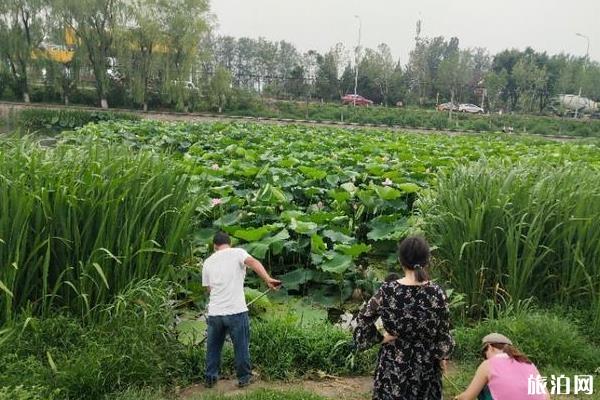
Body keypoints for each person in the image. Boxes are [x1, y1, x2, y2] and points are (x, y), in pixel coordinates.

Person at [353, 236, 454, 400]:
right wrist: (442, 356)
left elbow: (364, 318)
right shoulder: (437, 293)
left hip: (394, 360)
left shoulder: (388, 290)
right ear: (427, 260)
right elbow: (443, 330)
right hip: (426, 363)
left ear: (401, 260)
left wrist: (379, 338)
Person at [201, 231, 281, 388]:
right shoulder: (237, 252)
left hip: (215, 313)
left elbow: (208, 289)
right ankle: (244, 378)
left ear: (214, 246)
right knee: (241, 346)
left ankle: (210, 379)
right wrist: (268, 279)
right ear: (229, 243)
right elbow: (253, 262)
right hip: (236, 311)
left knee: (213, 347)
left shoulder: (208, 261)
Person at [454, 333, 550, 400]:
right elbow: (546, 396)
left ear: (490, 347)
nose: (485, 358)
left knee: (484, 389)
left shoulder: (488, 364)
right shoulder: (528, 363)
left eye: (485, 353)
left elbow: (468, 397)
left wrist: (458, 397)